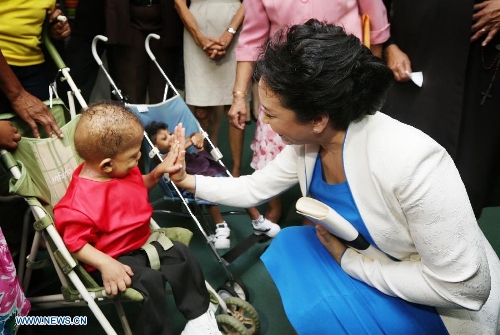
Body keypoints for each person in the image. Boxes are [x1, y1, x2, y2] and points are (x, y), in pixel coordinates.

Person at [168, 20, 500, 334]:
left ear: (317, 118)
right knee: (288, 243)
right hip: (372, 256)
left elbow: (465, 289)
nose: (264, 122)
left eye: (271, 113)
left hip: (436, 301)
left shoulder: (413, 162)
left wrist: (352, 263)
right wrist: (186, 180)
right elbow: (254, 188)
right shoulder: (311, 142)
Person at [53, 102, 220, 335]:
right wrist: (105, 264)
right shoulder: (79, 205)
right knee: (150, 282)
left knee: (183, 255)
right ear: (107, 165)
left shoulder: (121, 170)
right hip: (115, 258)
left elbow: (136, 186)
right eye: (133, 157)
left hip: (143, 242)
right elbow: (75, 244)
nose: (139, 158)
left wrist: (156, 173)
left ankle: (199, 318)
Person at [227, 0, 391, 224]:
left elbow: (375, 25)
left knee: (336, 152)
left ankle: (319, 211)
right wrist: (238, 95)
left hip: (340, 80)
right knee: (276, 142)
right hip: (284, 83)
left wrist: (370, 84)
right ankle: (274, 206)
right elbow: (251, 40)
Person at [381, 1, 500, 218]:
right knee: (406, 170)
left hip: (481, 59)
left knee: (470, 180)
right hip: (415, 52)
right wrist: (387, 43)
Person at [145, 121, 280, 249]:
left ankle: (257, 220)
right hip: (191, 183)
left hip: (208, 170)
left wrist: (196, 137)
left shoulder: (182, 142)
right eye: (164, 138)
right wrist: (186, 143)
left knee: (238, 188)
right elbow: (173, 157)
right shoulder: (163, 159)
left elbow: (195, 137)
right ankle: (220, 225)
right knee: (208, 194)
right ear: (156, 148)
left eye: (170, 133)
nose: (171, 137)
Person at [174, 0, 245, 148]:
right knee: (201, 110)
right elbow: (179, 3)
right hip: (195, 27)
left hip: (235, 22)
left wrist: (230, 32)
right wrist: (199, 38)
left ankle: (237, 170)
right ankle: (203, 165)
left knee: (234, 108)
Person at [103, 0, 184, 104]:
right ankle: (133, 119)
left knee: (162, 93)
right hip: (127, 17)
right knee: (131, 91)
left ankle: (161, 119)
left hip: (166, 17)